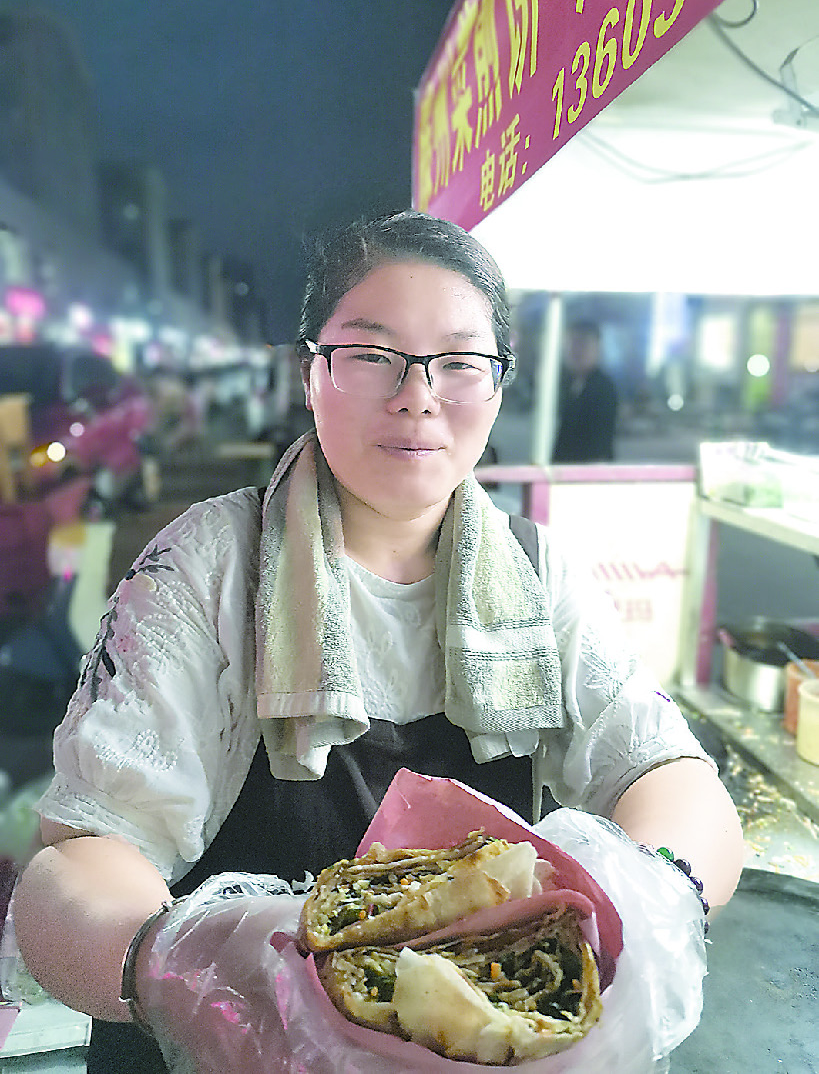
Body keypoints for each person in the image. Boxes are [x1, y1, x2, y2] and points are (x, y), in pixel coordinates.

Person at [12, 211, 743, 1072]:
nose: (417, 395)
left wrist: (656, 896)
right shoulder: (207, 565)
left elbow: (665, 772)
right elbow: (79, 859)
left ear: (497, 385)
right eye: (371, 354)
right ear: (309, 373)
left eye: (459, 361)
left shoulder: (535, 573)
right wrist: (193, 971)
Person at [552, 320, 618, 463]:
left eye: (583, 344)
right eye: (572, 344)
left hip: (588, 470)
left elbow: (600, 443)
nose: (576, 351)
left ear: (598, 349)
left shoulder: (604, 389)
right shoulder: (563, 383)